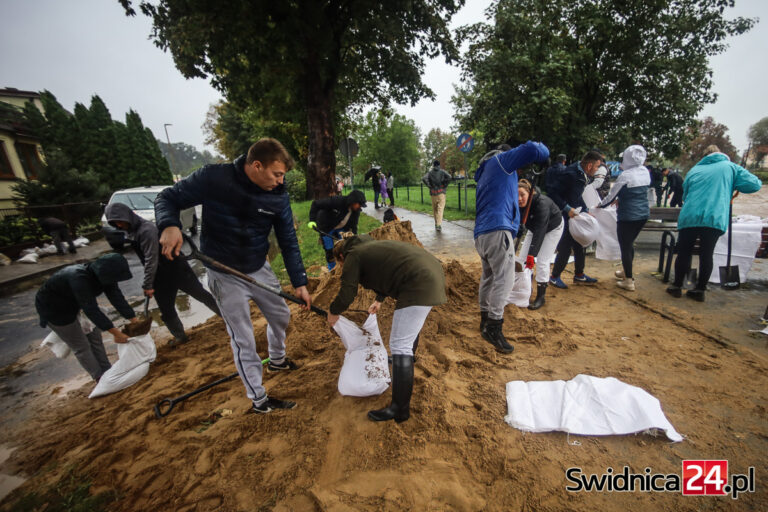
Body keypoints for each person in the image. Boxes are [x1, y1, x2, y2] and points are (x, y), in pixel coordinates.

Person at [155, 138, 312, 414]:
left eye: (283, 175)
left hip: (257, 267)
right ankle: (259, 399)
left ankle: (277, 359)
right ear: (256, 165)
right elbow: (166, 197)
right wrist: (169, 224)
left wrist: (299, 281)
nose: (280, 181)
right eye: (276, 174)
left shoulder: (277, 195)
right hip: (223, 273)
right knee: (243, 338)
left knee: (282, 318)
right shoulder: (213, 178)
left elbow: (288, 239)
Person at [326, 235, 446, 423]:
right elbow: (388, 271)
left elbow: (348, 292)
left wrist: (333, 312)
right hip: (431, 272)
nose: (342, 267)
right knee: (407, 335)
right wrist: (379, 300)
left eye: (340, 264)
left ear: (341, 256)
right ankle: (409, 358)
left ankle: (399, 409)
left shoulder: (353, 256)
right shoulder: (371, 247)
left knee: (399, 345)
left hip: (418, 282)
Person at [105, 202, 221, 345]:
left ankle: (228, 318)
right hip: (159, 276)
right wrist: (152, 282)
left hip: (176, 268)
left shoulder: (146, 230)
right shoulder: (132, 231)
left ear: (127, 216)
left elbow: (151, 258)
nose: (119, 225)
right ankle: (180, 336)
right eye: (115, 223)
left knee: (201, 295)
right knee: (166, 309)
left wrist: (147, 284)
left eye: (120, 221)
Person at [474, 141, 550, 352]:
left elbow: (504, 200)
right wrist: (544, 155)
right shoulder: (501, 161)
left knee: (489, 277)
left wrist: (516, 226)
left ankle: (484, 319)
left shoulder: (486, 172)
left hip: (482, 232)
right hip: (497, 230)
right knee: (504, 279)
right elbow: (533, 148)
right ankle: (494, 326)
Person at [666, 145, 762, 301]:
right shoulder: (731, 167)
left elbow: (686, 194)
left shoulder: (694, 170)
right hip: (713, 217)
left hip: (690, 215)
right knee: (706, 254)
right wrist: (733, 184)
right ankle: (700, 290)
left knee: (684, 252)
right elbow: (755, 185)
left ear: (704, 156)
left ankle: (676, 286)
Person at [35, 253, 138, 381]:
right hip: (55, 310)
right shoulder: (78, 278)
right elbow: (91, 309)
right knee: (81, 346)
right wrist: (116, 333)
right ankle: (99, 377)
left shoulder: (107, 277)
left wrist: (134, 320)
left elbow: (116, 297)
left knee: (95, 338)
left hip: (77, 304)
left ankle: (108, 372)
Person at [596, 145, 651, 291]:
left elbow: (611, 196)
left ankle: (629, 281)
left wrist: (598, 205)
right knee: (629, 244)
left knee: (625, 246)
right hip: (643, 214)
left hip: (628, 216)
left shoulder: (625, 175)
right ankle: (627, 272)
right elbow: (636, 193)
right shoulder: (645, 171)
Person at [548, 150, 604, 288]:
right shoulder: (570, 174)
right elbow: (552, 192)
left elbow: (577, 197)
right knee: (566, 246)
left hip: (576, 215)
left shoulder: (581, 174)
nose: (597, 170)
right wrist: (567, 209)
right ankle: (555, 277)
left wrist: (585, 210)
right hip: (565, 216)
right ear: (590, 166)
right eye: (597, 167)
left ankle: (579, 274)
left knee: (580, 244)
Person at [516, 179, 563, 310]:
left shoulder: (541, 204)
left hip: (552, 227)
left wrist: (532, 254)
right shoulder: (518, 204)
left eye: (522, 195)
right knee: (521, 259)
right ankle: (526, 289)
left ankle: (541, 297)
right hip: (533, 227)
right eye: (516, 195)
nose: (519, 199)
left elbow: (540, 231)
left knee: (542, 260)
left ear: (530, 193)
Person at [307, 189, 367, 270]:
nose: (360, 207)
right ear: (353, 201)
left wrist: (353, 237)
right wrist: (312, 220)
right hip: (326, 227)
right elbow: (316, 204)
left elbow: (354, 225)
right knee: (330, 249)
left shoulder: (356, 211)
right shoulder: (337, 201)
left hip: (341, 228)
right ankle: (332, 270)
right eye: (359, 204)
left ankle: (344, 267)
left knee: (345, 246)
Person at [422, 160, 452, 231]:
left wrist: (429, 186)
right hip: (441, 192)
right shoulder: (442, 171)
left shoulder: (430, 172)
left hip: (433, 193)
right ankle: (438, 225)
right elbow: (449, 177)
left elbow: (423, 178)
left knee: (435, 209)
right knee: (440, 209)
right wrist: (445, 185)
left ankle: (436, 224)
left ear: (433, 165)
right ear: (439, 165)